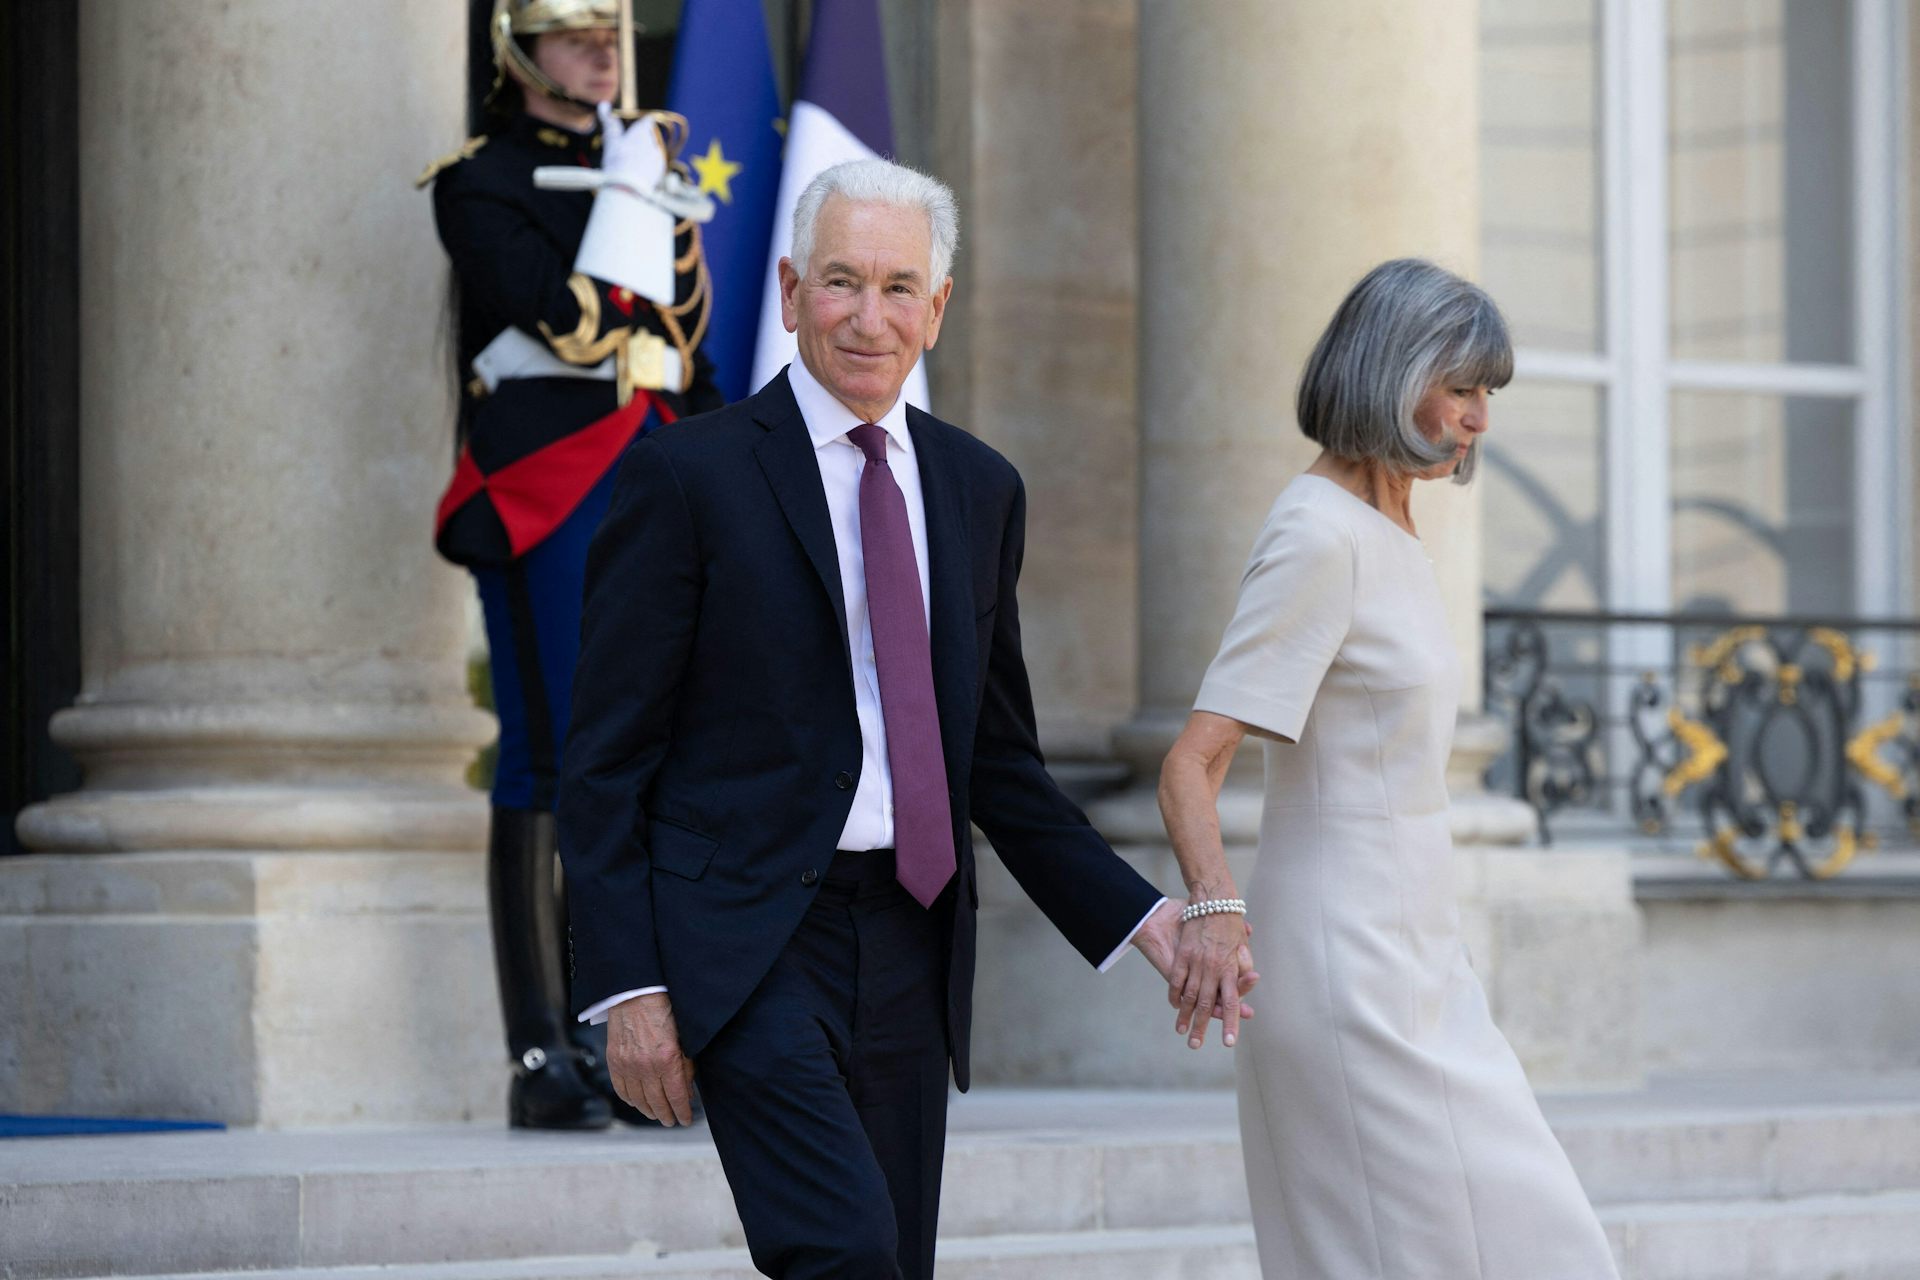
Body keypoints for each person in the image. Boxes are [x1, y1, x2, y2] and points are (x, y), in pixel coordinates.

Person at [557, 158, 1251, 1279]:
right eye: (840, 282)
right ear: (788, 293)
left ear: (937, 307)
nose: (867, 317)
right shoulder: (687, 477)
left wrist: (1145, 920)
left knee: (896, 1261)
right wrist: (629, 986)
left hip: (913, 937)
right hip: (747, 939)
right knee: (846, 1249)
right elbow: (603, 760)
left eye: (896, 287)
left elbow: (999, 764)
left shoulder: (980, 489)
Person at [1157, 258, 1620, 1278]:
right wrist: (1214, 908)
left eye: (1485, 392)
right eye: (1460, 387)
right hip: (1343, 963)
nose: (1478, 419)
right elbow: (1193, 763)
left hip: (1419, 951)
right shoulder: (1318, 533)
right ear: (1388, 371)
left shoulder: (1389, 529)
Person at [418, 0, 721, 1130]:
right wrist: (634, 205)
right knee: (552, 755)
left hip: (660, 469)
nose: (603, 51)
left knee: (667, 752)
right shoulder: (483, 178)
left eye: (612, 34)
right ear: (516, 48)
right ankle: (543, 1045)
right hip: (550, 483)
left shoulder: (641, 161)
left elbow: (685, 340)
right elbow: (556, 314)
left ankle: (640, 1029)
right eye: (575, 33)